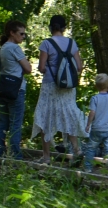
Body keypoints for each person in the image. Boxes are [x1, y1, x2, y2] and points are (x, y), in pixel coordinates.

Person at [31, 15, 84, 164]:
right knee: (69, 115)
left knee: (45, 117)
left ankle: (47, 156)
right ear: (64, 28)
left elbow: (41, 67)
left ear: (50, 27)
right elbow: (79, 67)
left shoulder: (46, 44)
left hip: (50, 85)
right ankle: (77, 149)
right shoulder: (72, 43)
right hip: (68, 87)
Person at [0, 20, 32, 159]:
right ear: (12, 33)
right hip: (16, 90)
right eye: (21, 34)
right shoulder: (14, 48)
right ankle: (15, 155)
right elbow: (28, 68)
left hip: (3, 88)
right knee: (16, 123)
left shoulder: (2, 49)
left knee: (3, 122)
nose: (23, 36)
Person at [83, 73, 108, 176]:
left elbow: (92, 113)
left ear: (96, 86)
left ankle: (88, 168)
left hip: (97, 128)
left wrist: (88, 124)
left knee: (91, 148)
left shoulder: (95, 98)